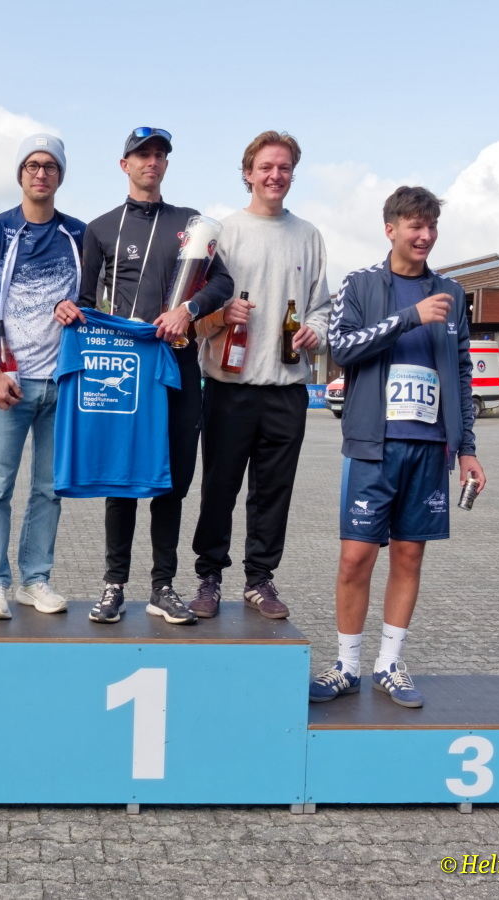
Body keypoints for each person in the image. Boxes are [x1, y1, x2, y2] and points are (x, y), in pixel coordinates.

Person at [309, 186, 486, 709]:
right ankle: (346, 665)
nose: (425, 235)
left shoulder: (452, 292)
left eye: (431, 226)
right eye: (415, 226)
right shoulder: (361, 283)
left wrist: (467, 447)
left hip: (430, 447)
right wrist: (410, 317)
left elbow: (461, 375)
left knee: (409, 555)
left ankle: (389, 664)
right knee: (355, 558)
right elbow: (342, 348)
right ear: (390, 229)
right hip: (373, 445)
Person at [55, 127, 233, 626]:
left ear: (166, 164)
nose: (151, 162)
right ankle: (113, 584)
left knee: (171, 478)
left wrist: (188, 310)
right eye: (142, 155)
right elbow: (84, 300)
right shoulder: (100, 228)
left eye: (159, 155)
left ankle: (163, 586)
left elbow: (223, 282)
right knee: (123, 474)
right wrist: (66, 309)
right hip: (126, 368)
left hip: (177, 362)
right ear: (124, 165)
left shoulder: (190, 225)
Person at [189, 131, 331, 620]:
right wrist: (220, 315)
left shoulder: (309, 236)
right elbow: (195, 313)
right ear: (248, 173)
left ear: (293, 174)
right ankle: (209, 576)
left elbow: (321, 307)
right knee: (219, 489)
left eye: (284, 167)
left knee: (273, 493)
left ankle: (259, 579)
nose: (275, 175)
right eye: (266, 167)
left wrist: (314, 331)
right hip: (228, 388)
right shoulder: (224, 233)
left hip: (287, 389)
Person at [0, 134, 85, 619]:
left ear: (60, 175)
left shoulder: (78, 234)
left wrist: (78, 310)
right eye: (32, 165)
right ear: (20, 173)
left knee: (49, 490)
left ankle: (34, 579)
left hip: (62, 382)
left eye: (50, 166)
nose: (41, 173)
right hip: (10, 382)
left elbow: (93, 301)